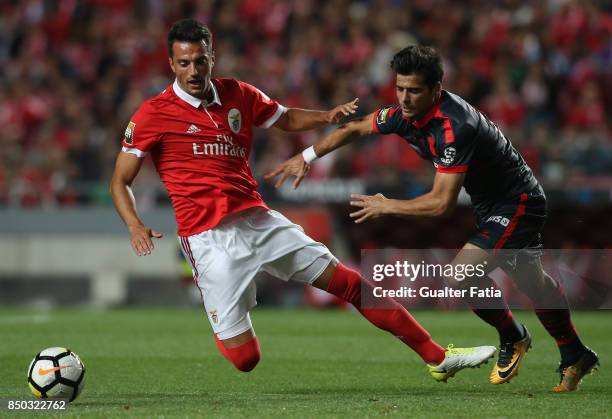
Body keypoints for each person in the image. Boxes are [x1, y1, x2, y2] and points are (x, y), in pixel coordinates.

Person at [110, 19, 495, 381]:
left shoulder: (237, 93)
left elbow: (285, 117)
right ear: (171, 64)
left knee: (351, 285)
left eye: (199, 61)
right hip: (209, 239)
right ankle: (224, 309)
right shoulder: (151, 115)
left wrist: (327, 117)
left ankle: (439, 357)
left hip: (258, 221)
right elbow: (120, 180)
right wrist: (134, 224)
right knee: (246, 360)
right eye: (183, 64)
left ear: (212, 56)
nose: (193, 72)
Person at [266, 45, 599, 392]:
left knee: (459, 275)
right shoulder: (402, 114)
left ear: (436, 90)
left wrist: (387, 205)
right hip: (491, 204)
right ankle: (575, 354)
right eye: (400, 89)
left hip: (518, 202)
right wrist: (307, 155)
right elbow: (354, 128)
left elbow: (441, 203)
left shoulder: (455, 126)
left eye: (414, 91)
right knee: (535, 284)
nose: (404, 99)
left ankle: (513, 337)